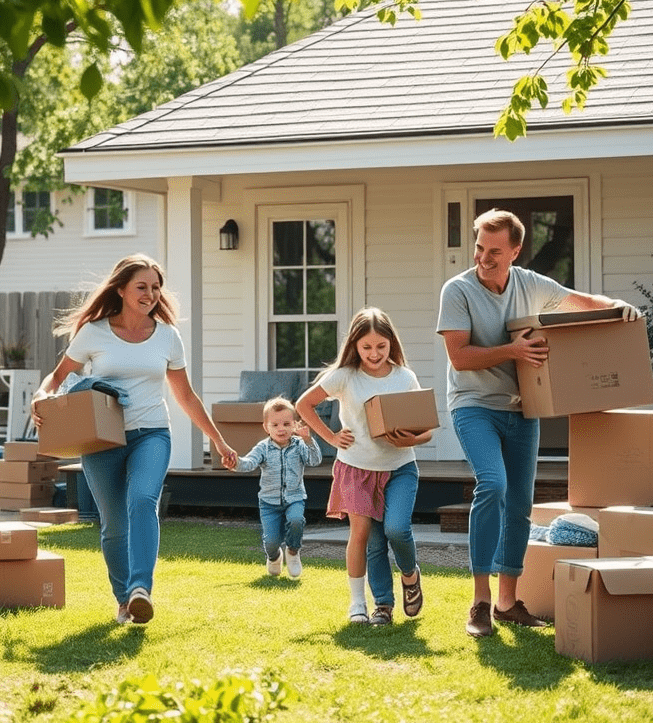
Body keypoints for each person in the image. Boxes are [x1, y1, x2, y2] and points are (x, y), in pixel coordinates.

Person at [435, 209, 641, 638]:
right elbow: (459, 357)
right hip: (473, 404)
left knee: (520, 506)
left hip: (521, 409)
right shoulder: (458, 291)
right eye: (479, 248)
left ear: (515, 250)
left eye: (494, 250)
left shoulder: (531, 284)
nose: (483, 258)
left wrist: (619, 307)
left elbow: (579, 300)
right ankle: (480, 601)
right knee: (492, 484)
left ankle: (508, 602)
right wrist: (512, 351)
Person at [30, 254, 237, 625]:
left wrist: (217, 441)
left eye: (156, 287)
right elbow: (57, 377)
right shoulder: (94, 331)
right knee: (112, 523)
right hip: (101, 439)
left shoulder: (168, 337)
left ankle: (142, 589)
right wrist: (42, 396)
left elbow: (186, 395)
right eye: (142, 286)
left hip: (152, 433)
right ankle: (124, 600)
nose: (151, 294)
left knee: (143, 501)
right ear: (122, 289)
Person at [297, 307, 432, 626]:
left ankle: (410, 575)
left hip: (399, 468)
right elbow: (304, 404)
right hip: (356, 469)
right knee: (368, 538)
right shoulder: (344, 376)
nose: (374, 353)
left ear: (391, 344)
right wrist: (330, 437)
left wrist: (409, 441)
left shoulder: (403, 376)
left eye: (381, 347)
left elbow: (426, 429)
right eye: (367, 347)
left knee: (396, 529)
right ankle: (373, 605)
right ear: (355, 345)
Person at [226, 396, 323, 578]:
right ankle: (274, 556)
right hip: (269, 503)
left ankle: (293, 552)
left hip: (294, 498)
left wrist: (309, 440)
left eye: (286, 424)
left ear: (294, 425)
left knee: (296, 520)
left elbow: (315, 460)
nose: (281, 429)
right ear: (266, 427)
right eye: (275, 425)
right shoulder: (263, 448)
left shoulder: (300, 445)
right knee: (271, 541)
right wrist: (235, 463)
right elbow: (249, 463)